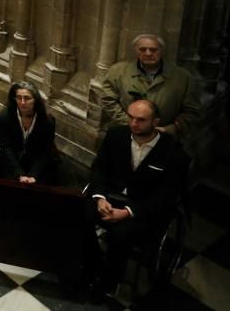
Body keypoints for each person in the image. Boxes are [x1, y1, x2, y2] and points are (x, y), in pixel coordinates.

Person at [85, 100, 190, 298]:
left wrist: (128, 212)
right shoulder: (116, 135)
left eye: (141, 120)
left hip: (143, 207)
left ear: (155, 122)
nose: (133, 123)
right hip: (110, 197)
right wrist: (100, 198)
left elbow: (166, 195)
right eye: (131, 117)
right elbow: (99, 168)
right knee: (77, 214)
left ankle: (108, 281)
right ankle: (92, 263)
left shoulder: (173, 153)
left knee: (120, 234)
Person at [99, 34, 200, 140]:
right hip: (126, 134)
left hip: (163, 138)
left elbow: (192, 111)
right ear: (136, 51)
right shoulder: (117, 72)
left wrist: (171, 129)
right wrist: (131, 122)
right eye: (142, 49)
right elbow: (108, 100)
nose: (148, 53)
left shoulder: (183, 77)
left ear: (161, 51)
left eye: (153, 50)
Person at [0, 81, 57, 184]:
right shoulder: (5, 116)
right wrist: (19, 174)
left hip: (36, 163)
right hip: (13, 162)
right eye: (19, 98)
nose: (22, 102)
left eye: (27, 98)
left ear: (36, 100)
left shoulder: (47, 122)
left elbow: (45, 151)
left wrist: (34, 175)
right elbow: (6, 148)